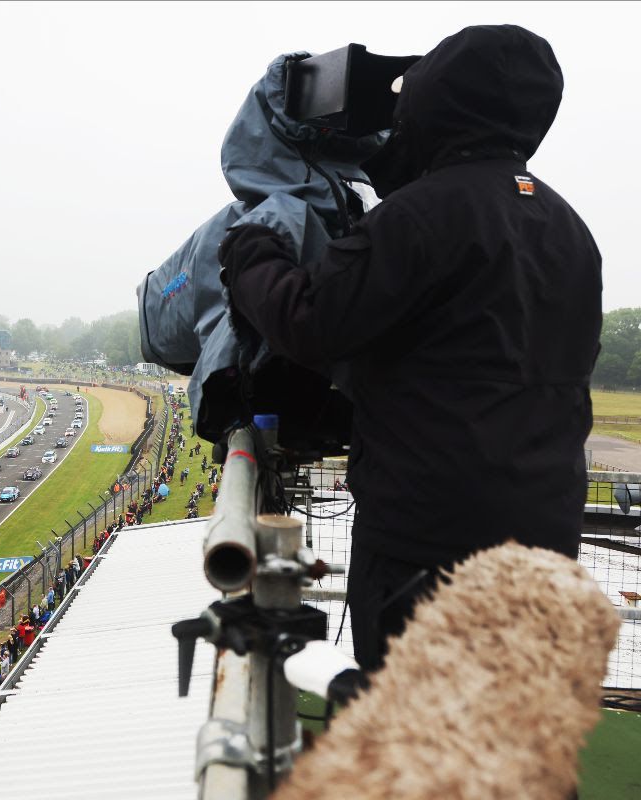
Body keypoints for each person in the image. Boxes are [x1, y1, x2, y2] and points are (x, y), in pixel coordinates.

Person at [218, 26, 600, 672]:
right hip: (546, 542)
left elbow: (309, 321)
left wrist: (250, 252)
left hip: (426, 549)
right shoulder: (570, 230)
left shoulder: (420, 217)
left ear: (437, 101)